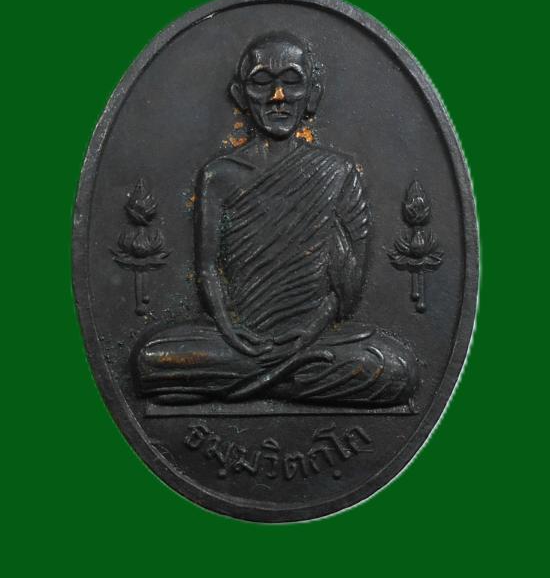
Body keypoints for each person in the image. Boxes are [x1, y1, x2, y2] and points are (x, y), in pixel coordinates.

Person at [133, 33, 418, 407]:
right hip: (237, 338)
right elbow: (207, 269)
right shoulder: (219, 175)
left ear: (312, 94)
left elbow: (346, 288)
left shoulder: (338, 172)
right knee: (150, 359)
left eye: (292, 81)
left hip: (315, 336)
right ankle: (277, 377)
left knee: (395, 368)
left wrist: (307, 334)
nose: (278, 96)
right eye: (262, 82)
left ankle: (250, 382)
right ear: (240, 95)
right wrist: (230, 329)